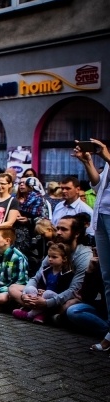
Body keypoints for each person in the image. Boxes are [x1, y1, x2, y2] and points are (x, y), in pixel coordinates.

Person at [74, 138, 110, 346]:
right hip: (102, 215)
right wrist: (87, 162)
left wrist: (106, 156)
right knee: (107, 278)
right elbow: (98, 188)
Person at [13, 243, 73, 324]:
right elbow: (40, 283)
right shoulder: (46, 271)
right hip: (43, 295)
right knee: (30, 288)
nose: (50, 259)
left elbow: (64, 291)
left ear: (64, 259)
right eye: (49, 256)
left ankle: (29, 315)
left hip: (55, 299)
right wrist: (39, 291)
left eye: (54, 257)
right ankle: (38, 313)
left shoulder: (67, 274)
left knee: (48, 293)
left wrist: (44, 293)